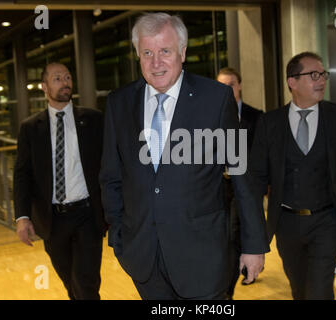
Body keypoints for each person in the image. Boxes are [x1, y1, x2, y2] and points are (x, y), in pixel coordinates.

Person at [99, 12, 268, 300]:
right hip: (144, 258)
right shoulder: (119, 103)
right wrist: (119, 235)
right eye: (147, 53)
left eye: (165, 51)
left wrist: (253, 245)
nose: (156, 62)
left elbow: (241, 174)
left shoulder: (216, 98)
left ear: (183, 52)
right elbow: (111, 175)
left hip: (202, 257)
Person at [249, 52, 336, 300]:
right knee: (299, 290)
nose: (321, 81)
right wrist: (251, 231)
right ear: (292, 82)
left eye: (323, 75)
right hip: (286, 223)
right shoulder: (269, 123)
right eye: (313, 75)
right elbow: (256, 180)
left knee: (319, 292)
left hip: (326, 221)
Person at [13, 62, 106, 300]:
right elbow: (23, 174)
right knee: (70, 283)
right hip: (52, 220)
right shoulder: (31, 128)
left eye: (67, 77)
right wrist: (22, 217)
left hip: (88, 215)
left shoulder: (94, 120)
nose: (65, 82)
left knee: (86, 284)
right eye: (57, 78)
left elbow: (111, 165)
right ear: (44, 86)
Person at [217, 67, 263, 298]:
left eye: (231, 84)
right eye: (222, 85)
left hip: (243, 187)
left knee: (235, 232)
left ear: (240, 85)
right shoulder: (210, 117)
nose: (227, 89)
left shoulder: (255, 117)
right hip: (218, 186)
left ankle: (228, 290)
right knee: (222, 235)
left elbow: (260, 156)